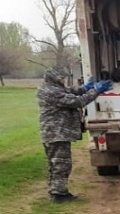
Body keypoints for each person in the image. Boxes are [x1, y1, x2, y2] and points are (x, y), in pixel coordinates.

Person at [37, 66, 113, 202]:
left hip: (55, 133)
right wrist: (96, 90)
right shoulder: (52, 92)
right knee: (61, 164)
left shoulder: (53, 88)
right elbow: (77, 101)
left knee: (56, 164)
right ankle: (59, 194)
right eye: (61, 78)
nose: (63, 80)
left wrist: (85, 87)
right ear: (54, 78)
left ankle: (55, 191)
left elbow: (71, 92)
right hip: (56, 133)